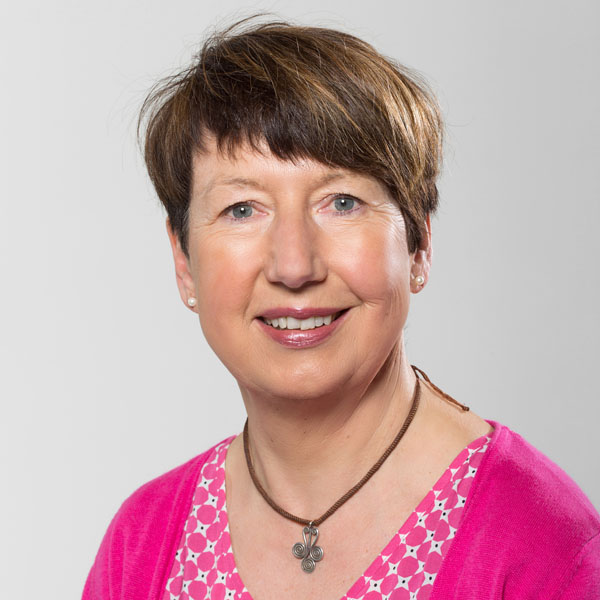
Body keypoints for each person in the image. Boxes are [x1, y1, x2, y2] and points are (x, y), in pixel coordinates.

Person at [82, 17, 600, 600]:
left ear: (419, 244)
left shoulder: (545, 544)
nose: (294, 265)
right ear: (184, 262)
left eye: (343, 202)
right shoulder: (142, 542)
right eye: (242, 209)